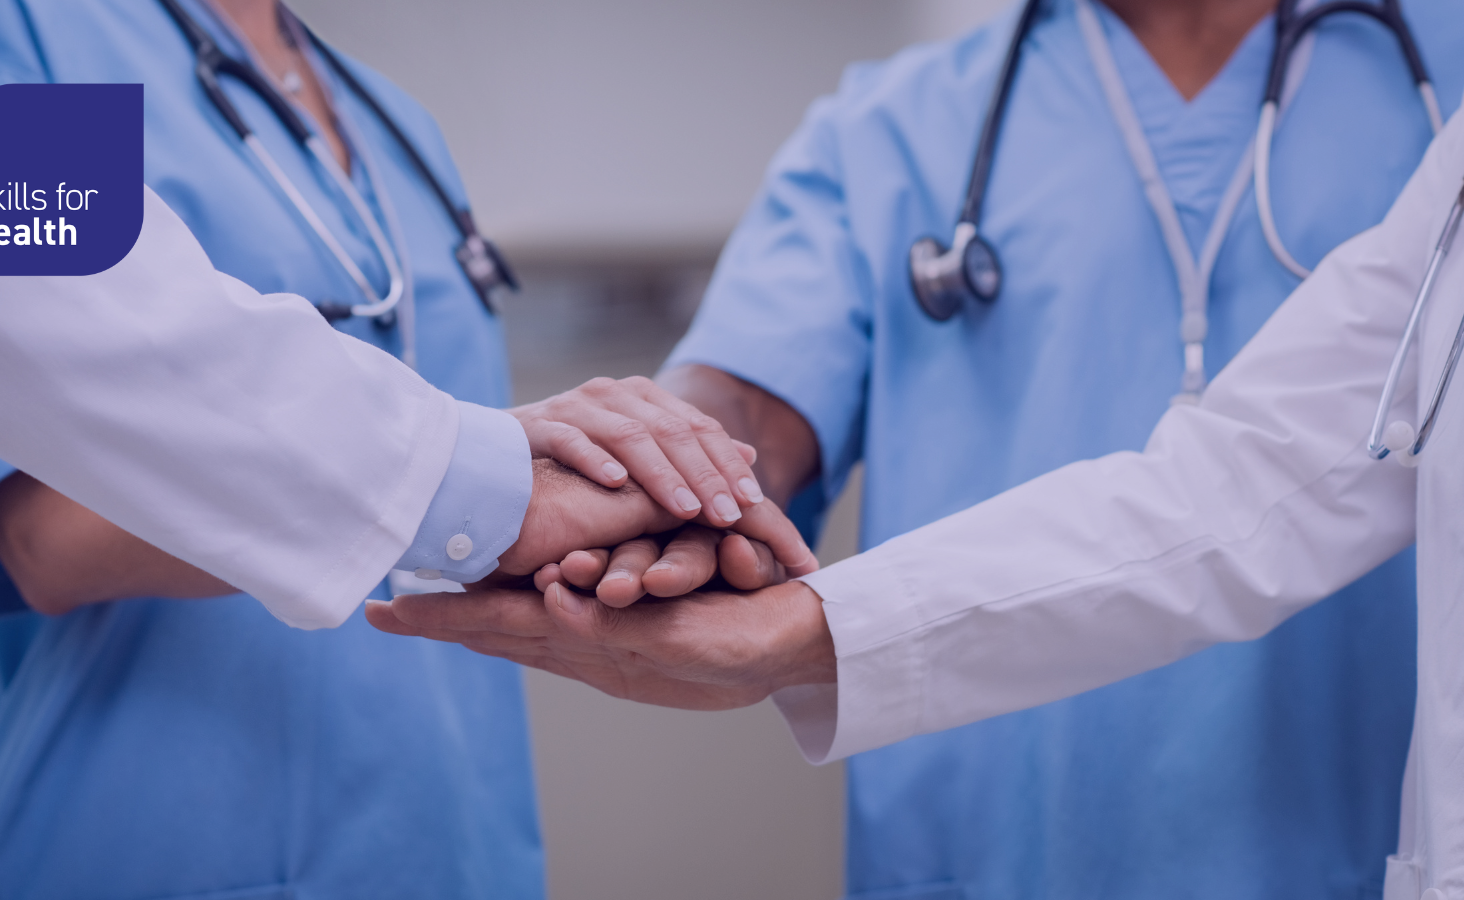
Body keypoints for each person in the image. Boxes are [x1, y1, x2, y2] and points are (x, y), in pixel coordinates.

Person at [377, 1, 1464, 898]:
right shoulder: (893, 128)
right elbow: (749, 398)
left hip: (1344, 829)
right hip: (987, 843)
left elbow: (1250, 489)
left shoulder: (1442, 86)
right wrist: (655, 470)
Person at [0, 2, 806, 896]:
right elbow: (45, 530)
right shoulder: (26, 45)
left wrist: (605, 511)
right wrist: (486, 504)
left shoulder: (393, 123)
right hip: (143, 845)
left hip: (443, 840)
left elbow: (486, 484)